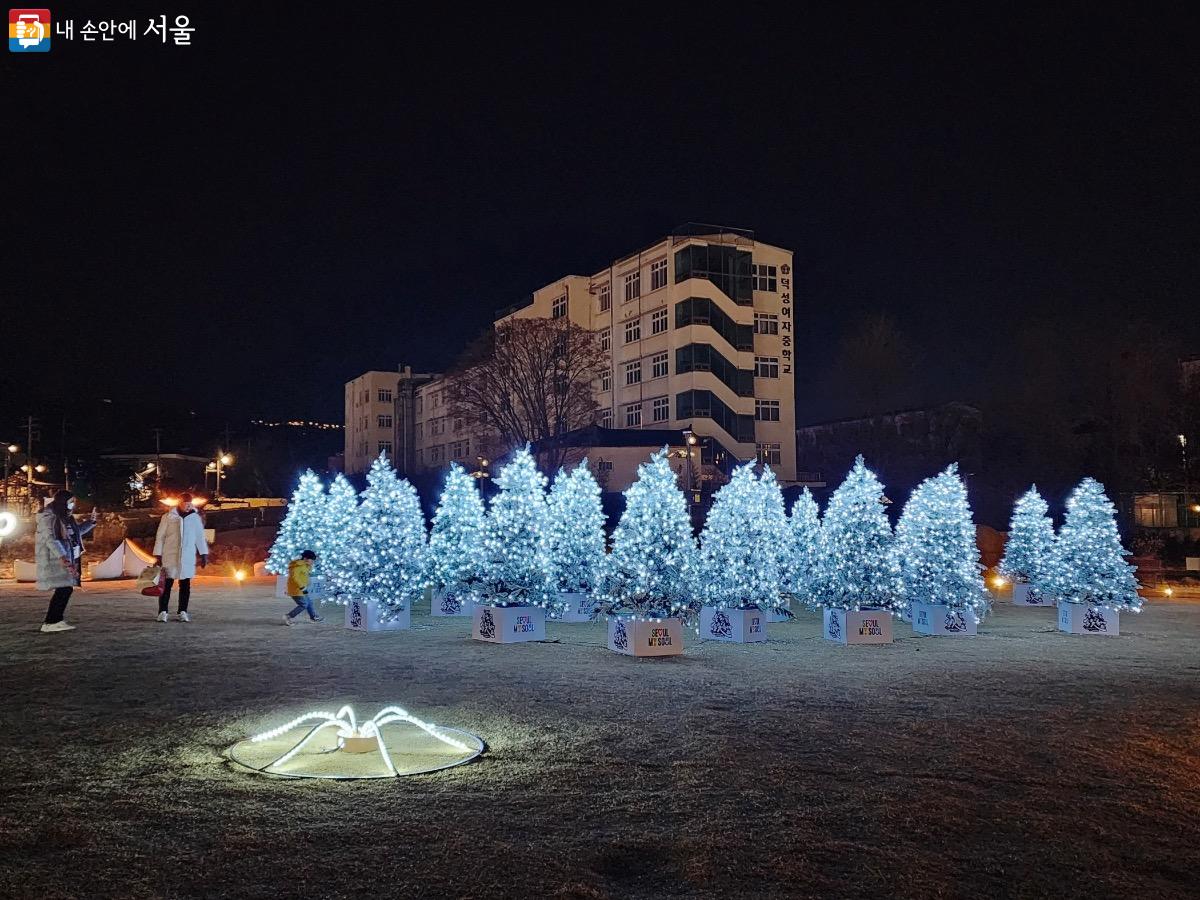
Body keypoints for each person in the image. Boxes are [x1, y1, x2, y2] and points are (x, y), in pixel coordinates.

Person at [36, 490, 97, 633]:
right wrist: (62, 557)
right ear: (63, 502)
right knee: (64, 588)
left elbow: (75, 533)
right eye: (71, 502)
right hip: (57, 558)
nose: (73, 504)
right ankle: (51, 621)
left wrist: (91, 522)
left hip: (69, 555)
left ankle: (55, 620)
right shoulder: (49, 517)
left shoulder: (67, 517)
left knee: (64, 588)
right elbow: (51, 539)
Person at [153, 492, 208, 622]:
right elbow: (160, 536)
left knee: (185, 585)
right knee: (167, 585)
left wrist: (203, 553)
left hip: (187, 556)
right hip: (170, 554)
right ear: (180, 503)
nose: (188, 506)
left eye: (190, 504)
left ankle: (183, 611)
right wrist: (158, 555)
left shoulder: (195, 518)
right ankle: (163, 612)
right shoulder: (168, 517)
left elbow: (200, 536)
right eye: (185, 504)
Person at [284, 549, 324, 625]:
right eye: (311, 560)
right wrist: (302, 587)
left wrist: (309, 565)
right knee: (303, 604)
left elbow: (305, 574)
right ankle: (288, 616)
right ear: (305, 558)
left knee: (309, 602)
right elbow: (295, 577)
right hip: (297, 590)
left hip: (302, 589)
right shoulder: (298, 566)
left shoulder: (305, 565)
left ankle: (313, 617)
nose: (312, 562)